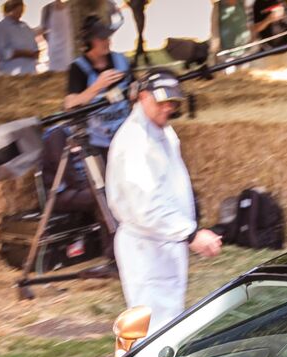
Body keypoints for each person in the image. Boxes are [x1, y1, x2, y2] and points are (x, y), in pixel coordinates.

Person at [107, 69, 222, 325]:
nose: (168, 107)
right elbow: (147, 205)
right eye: (161, 101)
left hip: (164, 242)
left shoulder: (161, 131)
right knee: (151, 327)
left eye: (172, 102)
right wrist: (189, 233)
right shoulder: (135, 142)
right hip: (146, 248)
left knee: (168, 321)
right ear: (143, 97)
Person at [64, 16, 132, 155]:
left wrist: (135, 91)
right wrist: (98, 85)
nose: (107, 41)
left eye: (107, 37)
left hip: (127, 136)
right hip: (98, 142)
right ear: (89, 42)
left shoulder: (121, 60)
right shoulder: (78, 68)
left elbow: (135, 88)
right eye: (101, 38)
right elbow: (70, 105)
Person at [0, 0, 39, 75]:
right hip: (12, 73)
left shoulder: (25, 26)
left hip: (30, 72)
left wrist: (35, 53)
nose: (20, 12)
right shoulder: (2, 27)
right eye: (18, 9)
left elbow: (35, 47)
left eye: (21, 10)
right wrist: (21, 53)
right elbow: (2, 52)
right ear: (10, 9)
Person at [40, 0, 73, 71]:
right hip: (54, 52)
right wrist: (52, 44)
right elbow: (43, 32)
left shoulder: (68, 7)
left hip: (67, 51)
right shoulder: (47, 9)